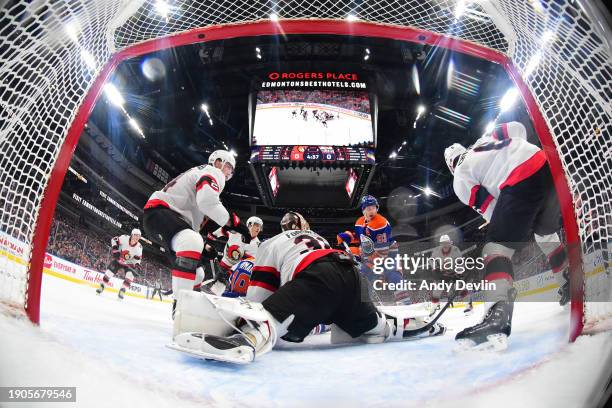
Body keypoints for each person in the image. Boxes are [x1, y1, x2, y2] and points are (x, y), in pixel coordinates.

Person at [171, 212, 445, 363]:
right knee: (377, 327)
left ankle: (240, 343)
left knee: (264, 320)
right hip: (349, 273)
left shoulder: (272, 242)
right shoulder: (318, 237)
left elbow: (258, 298)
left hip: (318, 279)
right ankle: (421, 325)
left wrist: (254, 315)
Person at [444, 121, 569, 350]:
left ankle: (496, 314)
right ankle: (568, 280)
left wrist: (513, 228)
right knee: (545, 234)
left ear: (451, 166)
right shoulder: (484, 139)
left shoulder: (460, 178)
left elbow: (491, 209)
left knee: (495, 249)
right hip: (544, 165)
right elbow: (518, 129)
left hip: (519, 179)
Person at [142, 150, 251, 300]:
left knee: (198, 274)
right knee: (191, 241)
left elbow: (192, 220)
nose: (229, 174)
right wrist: (236, 223)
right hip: (161, 212)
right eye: (229, 168)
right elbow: (207, 202)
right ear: (219, 162)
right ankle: (182, 305)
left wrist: (203, 246)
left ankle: (190, 306)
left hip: (167, 218)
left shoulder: (200, 172)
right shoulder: (213, 171)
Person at [337, 195, 401, 284]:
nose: (371, 211)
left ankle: (404, 297)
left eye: (373, 208)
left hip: (389, 255)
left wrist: (369, 266)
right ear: (363, 210)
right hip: (370, 254)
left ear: (377, 208)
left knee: (394, 277)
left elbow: (382, 251)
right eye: (368, 208)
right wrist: (348, 236)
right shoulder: (360, 222)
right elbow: (361, 238)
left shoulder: (380, 224)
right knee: (350, 255)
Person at [96, 228, 142, 300]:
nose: (137, 237)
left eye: (139, 236)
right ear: (132, 235)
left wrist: (137, 266)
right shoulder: (124, 238)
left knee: (130, 275)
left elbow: (137, 259)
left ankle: (122, 290)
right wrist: (115, 250)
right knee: (108, 273)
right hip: (118, 260)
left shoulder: (139, 247)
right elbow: (113, 240)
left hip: (129, 263)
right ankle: (102, 286)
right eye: (136, 235)